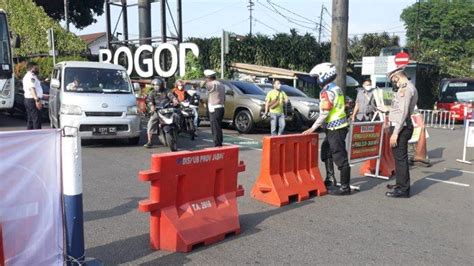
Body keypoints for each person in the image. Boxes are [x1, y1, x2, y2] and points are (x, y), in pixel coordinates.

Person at [302, 62, 352, 196]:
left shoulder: (327, 91)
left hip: (336, 128)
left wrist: (313, 127)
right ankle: (330, 178)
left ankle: (345, 187)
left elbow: (325, 112)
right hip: (337, 127)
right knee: (326, 151)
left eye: (317, 77)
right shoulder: (336, 88)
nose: (316, 80)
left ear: (323, 76)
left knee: (339, 156)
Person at [385, 67, 418, 198]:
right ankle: (400, 184)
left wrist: (395, 133)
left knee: (400, 158)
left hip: (402, 127)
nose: (394, 82)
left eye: (393, 80)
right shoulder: (409, 87)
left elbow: (403, 112)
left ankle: (403, 189)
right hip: (402, 126)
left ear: (397, 77)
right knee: (399, 158)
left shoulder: (405, 89)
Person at [143, 78, 177, 148]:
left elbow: (172, 96)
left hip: (167, 109)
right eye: (155, 85)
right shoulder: (152, 92)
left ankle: (177, 130)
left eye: (158, 85)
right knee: (151, 123)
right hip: (157, 110)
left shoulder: (166, 91)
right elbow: (149, 101)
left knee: (176, 116)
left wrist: (175, 100)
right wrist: (152, 106)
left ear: (161, 85)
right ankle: (149, 141)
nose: (156, 86)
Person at [204, 69, 225, 147]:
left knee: (215, 127)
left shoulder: (212, 84)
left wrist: (188, 82)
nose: (206, 80)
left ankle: (217, 144)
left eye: (206, 78)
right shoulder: (221, 84)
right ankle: (219, 142)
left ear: (209, 78)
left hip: (215, 108)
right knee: (218, 126)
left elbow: (201, 84)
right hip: (221, 108)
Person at [22, 62, 43, 130]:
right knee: (36, 120)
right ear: (32, 69)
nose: (37, 69)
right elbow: (32, 89)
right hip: (32, 100)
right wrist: (37, 100)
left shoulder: (27, 76)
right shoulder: (31, 77)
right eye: (36, 68)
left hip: (29, 99)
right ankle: (37, 137)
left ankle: (30, 136)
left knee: (31, 120)